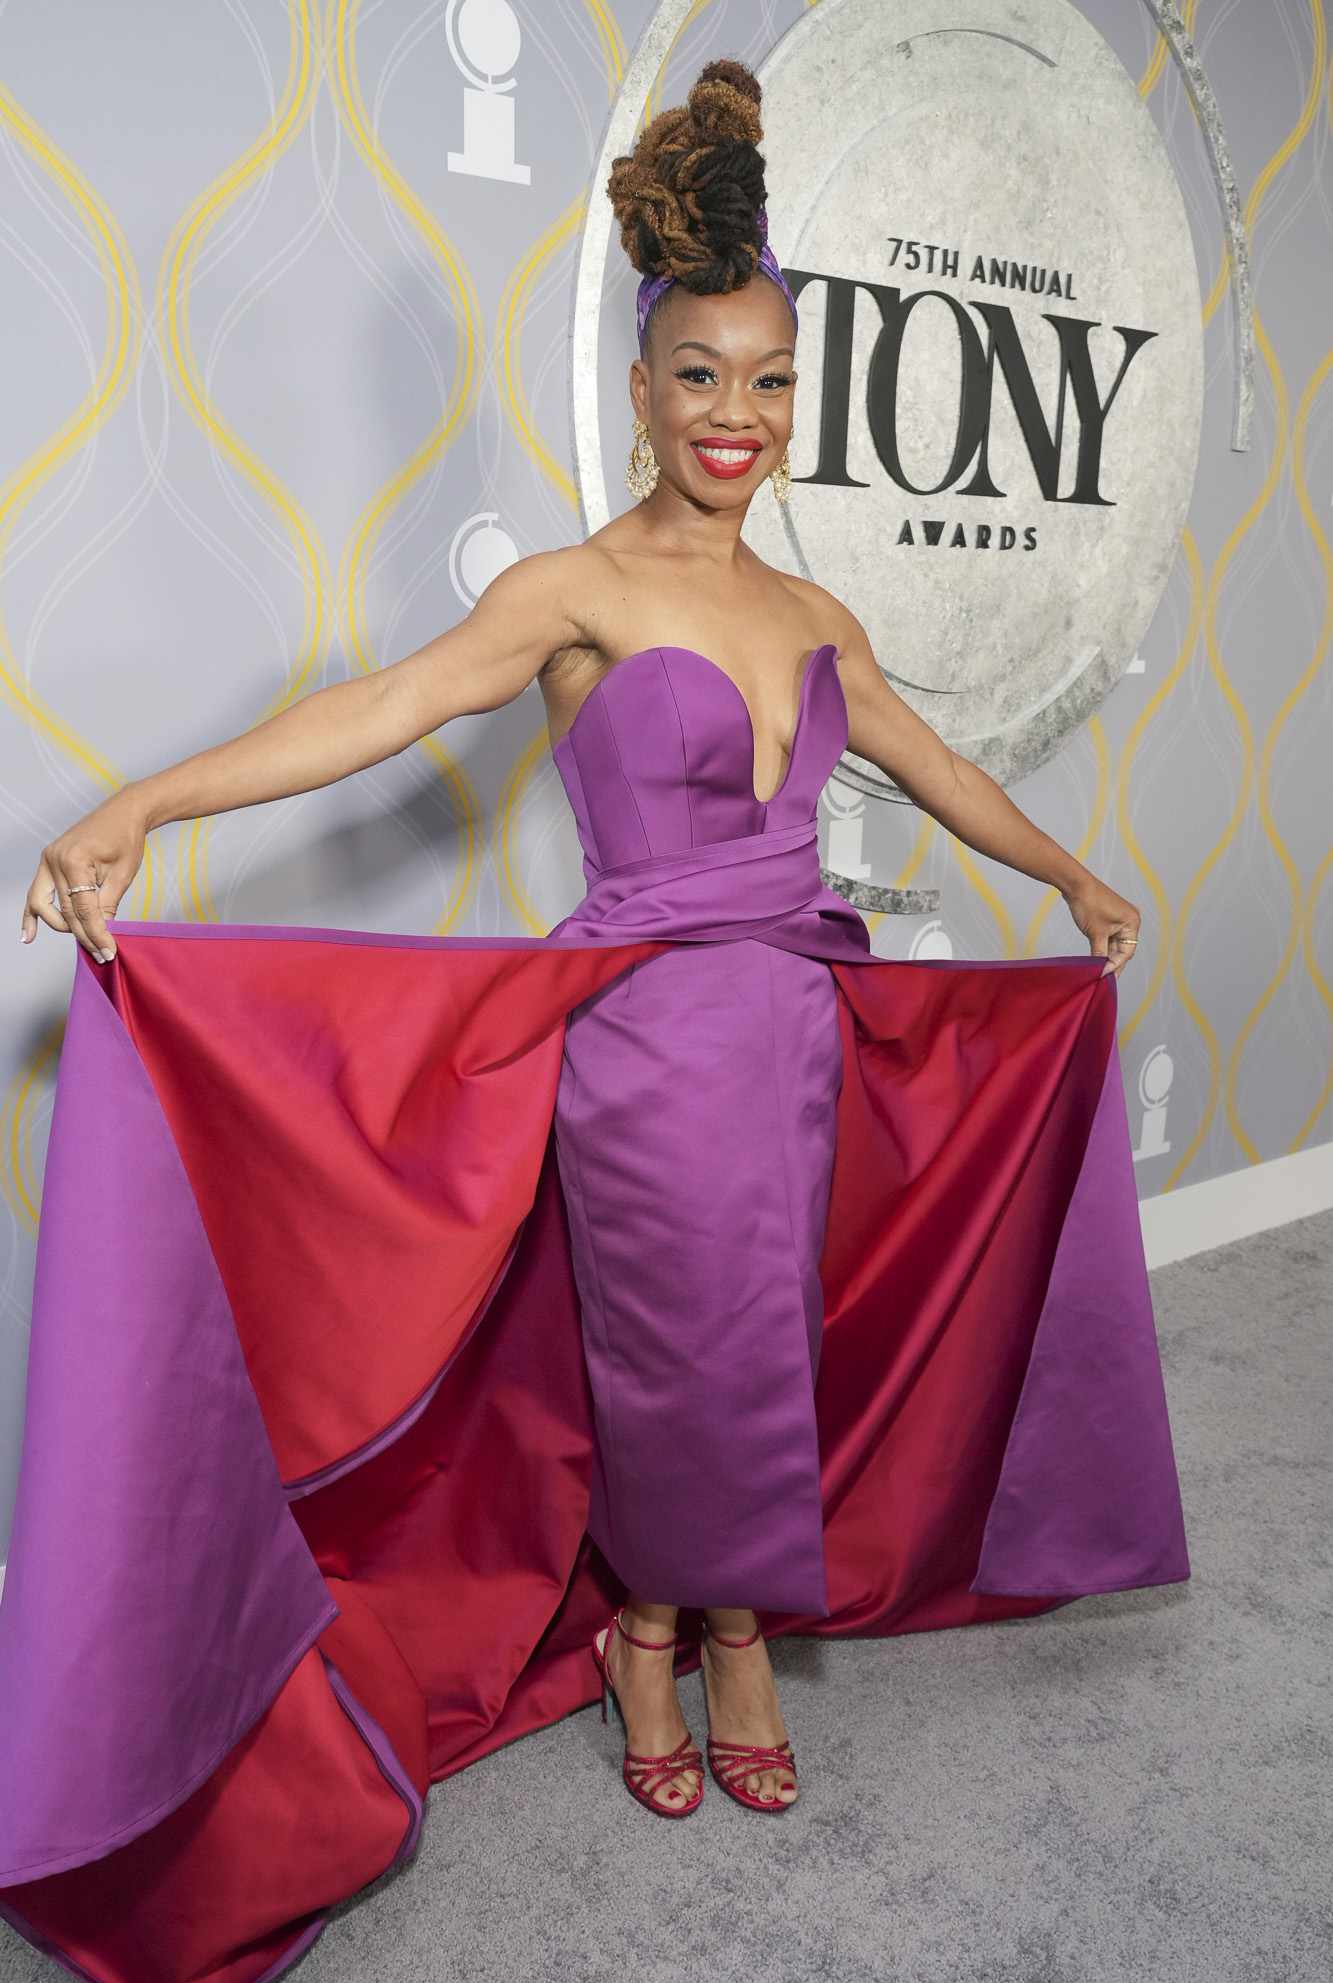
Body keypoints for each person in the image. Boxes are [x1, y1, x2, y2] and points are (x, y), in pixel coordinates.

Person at [16, 60, 1150, 1836]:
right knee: (681, 1337)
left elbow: (939, 773)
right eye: (699, 375)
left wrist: (1075, 875)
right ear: (640, 388)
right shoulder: (575, 589)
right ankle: (658, 1631)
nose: (736, 413)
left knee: (762, 1328)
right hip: (643, 1040)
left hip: (797, 1031)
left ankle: (717, 1620)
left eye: (770, 380)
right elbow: (381, 709)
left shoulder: (814, 610)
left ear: (797, 399)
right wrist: (145, 802)